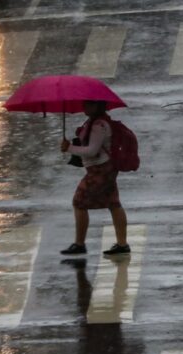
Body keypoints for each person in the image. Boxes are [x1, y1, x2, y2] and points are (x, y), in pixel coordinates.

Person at [60, 100, 130, 256]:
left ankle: (79, 244)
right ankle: (122, 244)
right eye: (85, 104)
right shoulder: (95, 122)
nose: (85, 107)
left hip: (100, 170)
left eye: (90, 105)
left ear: (99, 106)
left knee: (79, 202)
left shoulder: (99, 126)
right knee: (113, 203)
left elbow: (92, 150)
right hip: (105, 168)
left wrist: (69, 148)